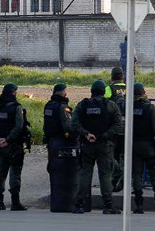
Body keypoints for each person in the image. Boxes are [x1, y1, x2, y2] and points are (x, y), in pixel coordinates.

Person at [71, 79, 123, 214]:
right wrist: (105, 135)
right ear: (103, 92)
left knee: (84, 174)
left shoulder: (83, 105)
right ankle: (108, 205)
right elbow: (118, 125)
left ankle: (79, 204)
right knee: (105, 175)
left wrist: (86, 134)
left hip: (87, 144)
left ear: (92, 91)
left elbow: (74, 123)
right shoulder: (110, 105)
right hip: (104, 145)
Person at [131, 82, 155, 214]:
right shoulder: (149, 108)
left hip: (133, 145)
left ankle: (139, 204)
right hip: (148, 146)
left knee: (136, 174)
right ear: (143, 92)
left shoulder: (127, 107)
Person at [0, 83, 28, 211]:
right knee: (15, 172)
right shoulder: (17, 108)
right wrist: (8, 139)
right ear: (14, 93)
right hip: (14, 146)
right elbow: (18, 127)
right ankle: (15, 203)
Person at [43, 83, 79, 212]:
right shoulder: (62, 107)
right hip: (62, 143)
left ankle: (56, 202)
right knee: (65, 174)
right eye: (65, 91)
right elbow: (67, 126)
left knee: (54, 171)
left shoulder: (48, 106)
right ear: (62, 92)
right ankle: (66, 203)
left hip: (51, 142)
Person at [104, 67, 126, 192]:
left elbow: (104, 103)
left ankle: (116, 175)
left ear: (112, 77)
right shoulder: (130, 88)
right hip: (127, 127)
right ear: (122, 77)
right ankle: (124, 178)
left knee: (112, 154)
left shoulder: (108, 89)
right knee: (125, 153)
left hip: (113, 126)